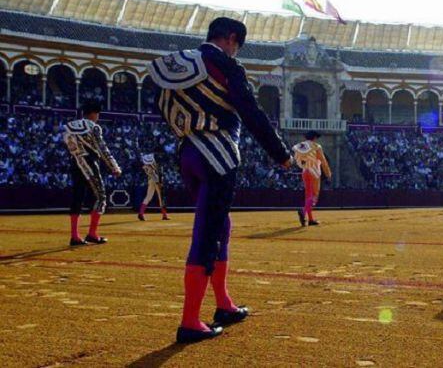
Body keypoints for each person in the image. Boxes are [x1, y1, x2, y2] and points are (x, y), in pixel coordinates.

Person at [149, 17, 292, 343]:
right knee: (208, 232)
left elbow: (160, 103)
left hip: (187, 151)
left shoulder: (180, 61)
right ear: (230, 39)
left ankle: (224, 303)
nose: (236, 52)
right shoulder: (226, 65)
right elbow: (251, 112)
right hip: (217, 154)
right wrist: (280, 153)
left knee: (219, 226)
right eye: (236, 46)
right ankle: (190, 321)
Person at [63, 101, 121, 246]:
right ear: (94, 113)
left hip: (75, 163)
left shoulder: (68, 127)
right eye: (98, 114)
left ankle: (75, 236)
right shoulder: (94, 127)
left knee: (77, 197)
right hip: (90, 163)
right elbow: (102, 149)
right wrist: (114, 167)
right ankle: (92, 234)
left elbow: (70, 147)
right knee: (101, 197)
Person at [293, 131, 332, 226]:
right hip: (314, 172)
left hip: (305, 172)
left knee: (308, 195)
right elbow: (323, 161)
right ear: (314, 138)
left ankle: (310, 219)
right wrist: (328, 173)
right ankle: (303, 211)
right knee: (314, 196)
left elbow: (297, 158)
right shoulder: (316, 146)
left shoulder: (301, 146)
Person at [137, 153, 169, 221]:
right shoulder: (153, 163)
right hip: (155, 179)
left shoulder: (145, 165)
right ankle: (164, 215)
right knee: (161, 197)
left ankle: (141, 213)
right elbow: (156, 173)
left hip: (150, 179)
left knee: (148, 197)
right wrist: (159, 183)